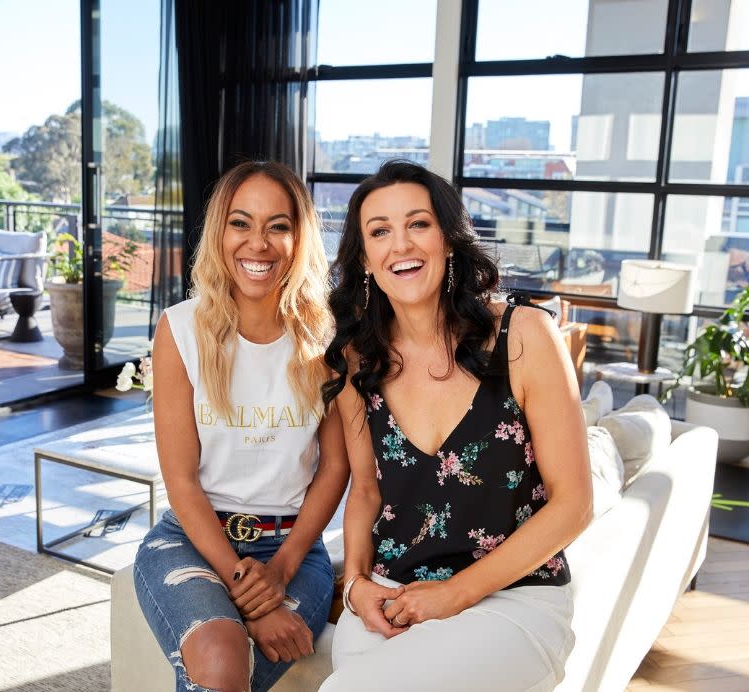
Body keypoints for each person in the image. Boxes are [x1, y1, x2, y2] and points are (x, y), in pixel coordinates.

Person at [319, 160, 592, 691]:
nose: (401, 244)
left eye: (418, 224)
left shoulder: (524, 336)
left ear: (448, 240)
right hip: (394, 592)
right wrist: (354, 585)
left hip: (516, 598)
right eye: (380, 232)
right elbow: (366, 492)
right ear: (366, 260)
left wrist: (454, 595)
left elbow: (574, 504)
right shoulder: (357, 357)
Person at [134, 161, 349, 692]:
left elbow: (336, 468)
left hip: (295, 552)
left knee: (222, 672)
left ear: (300, 238)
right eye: (240, 223)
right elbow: (180, 480)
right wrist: (247, 599)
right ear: (219, 232)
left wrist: (279, 570)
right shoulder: (179, 330)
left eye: (278, 226)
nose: (258, 243)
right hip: (190, 540)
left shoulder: (330, 338)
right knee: (220, 651)